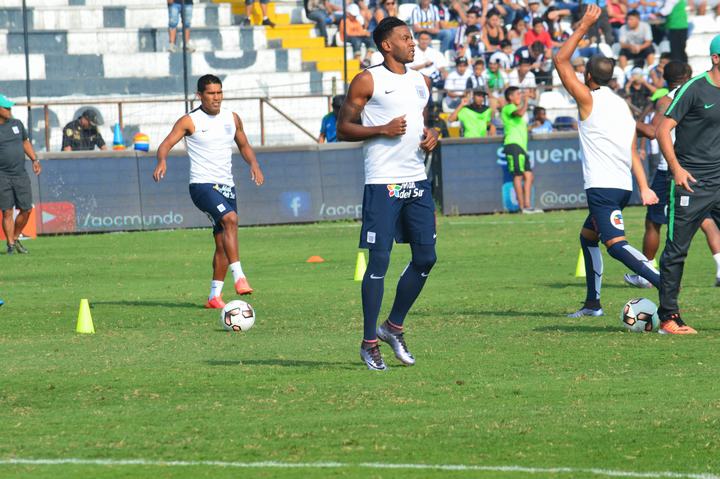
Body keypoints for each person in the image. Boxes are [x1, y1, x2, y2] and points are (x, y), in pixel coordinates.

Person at [336, 17, 440, 371]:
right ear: (386, 45)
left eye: (412, 37)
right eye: (405, 38)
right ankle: (369, 343)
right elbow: (343, 128)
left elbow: (424, 122)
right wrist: (381, 129)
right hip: (383, 183)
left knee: (426, 258)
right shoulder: (368, 80)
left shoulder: (421, 81)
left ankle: (392, 326)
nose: (412, 43)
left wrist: (432, 134)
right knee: (379, 262)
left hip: (417, 181)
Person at [553, 5, 660, 319]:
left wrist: (584, 25)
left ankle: (662, 282)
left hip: (602, 187)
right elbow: (632, 150)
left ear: (587, 76)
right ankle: (592, 304)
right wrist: (643, 185)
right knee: (588, 238)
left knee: (614, 244)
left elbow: (559, 60)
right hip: (622, 186)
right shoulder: (620, 105)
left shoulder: (588, 99)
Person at [153, 74, 265, 309]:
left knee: (223, 241)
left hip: (227, 186)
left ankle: (214, 296)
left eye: (219, 92)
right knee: (230, 219)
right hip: (202, 186)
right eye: (211, 93)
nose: (216, 97)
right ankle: (239, 276)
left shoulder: (232, 118)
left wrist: (254, 164)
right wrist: (162, 160)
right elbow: (165, 144)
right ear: (200, 95)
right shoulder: (189, 121)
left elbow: (244, 145)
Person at [627, 61, 720, 290]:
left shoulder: (667, 99)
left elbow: (654, 131)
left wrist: (628, 122)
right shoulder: (703, 91)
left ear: (665, 79)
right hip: (702, 169)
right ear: (688, 74)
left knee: (654, 223)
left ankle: (646, 273)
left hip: (671, 169)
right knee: (705, 219)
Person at [654, 35, 720, 334]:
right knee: (676, 251)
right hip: (691, 183)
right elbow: (662, 130)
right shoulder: (694, 88)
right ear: (716, 58)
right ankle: (669, 317)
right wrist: (676, 169)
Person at [0, 94, 41, 255]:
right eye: (6, 108)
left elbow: (25, 142)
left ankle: (16, 237)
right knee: (7, 211)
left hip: (20, 174)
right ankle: (10, 244)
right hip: (2, 176)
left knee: (26, 209)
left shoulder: (17, 124)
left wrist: (34, 159)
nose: (10, 110)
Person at [501, 86, 538, 213]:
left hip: (522, 146)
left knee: (529, 176)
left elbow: (519, 126)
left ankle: (527, 205)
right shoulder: (508, 107)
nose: (520, 96)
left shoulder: (516, 109)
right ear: (510, 97)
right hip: (513, 145)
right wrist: (526, 101)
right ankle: (522, 207)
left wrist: (533, 126)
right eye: (517, 94)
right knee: (518, 175)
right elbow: (520, 113)